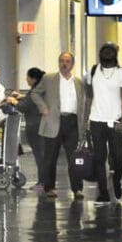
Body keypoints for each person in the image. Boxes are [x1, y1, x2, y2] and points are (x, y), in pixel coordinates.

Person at [31, 52, 87, 199]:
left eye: (67, 61)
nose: (64, 64)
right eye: (62, 61)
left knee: (75, 158)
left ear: (72, 64)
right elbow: (35, 93)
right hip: (54, 121)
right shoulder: (49, 79)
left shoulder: (79, 83)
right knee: (50, 157)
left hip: (73, 122)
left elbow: (83, 104)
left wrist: (84, 124)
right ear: (58, 63)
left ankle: (77, 189)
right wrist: (42, 107)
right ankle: (49, 187)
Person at [87, 43, 122, 203]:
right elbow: (89, 96)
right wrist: (86, 119)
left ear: (115, 55)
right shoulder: (94, 71)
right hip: (96, 120)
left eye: (110, 51)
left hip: (116, 121)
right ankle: (103, 191)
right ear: (100, 54)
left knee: (117, 157)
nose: (107, 53)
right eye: (104, 51)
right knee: (99, 158)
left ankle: (117, 180)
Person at [17, 67, 47, 192]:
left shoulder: (35, 91)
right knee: (42, 156)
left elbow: (24, 107)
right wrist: (22, 97)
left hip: (35, 127)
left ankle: (42, 183)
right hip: (42, 126)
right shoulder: (41, 89)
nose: (26, 79)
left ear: (33, 79)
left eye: (28, 77)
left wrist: (13, 101)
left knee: (40, 156)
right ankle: (45, 182)